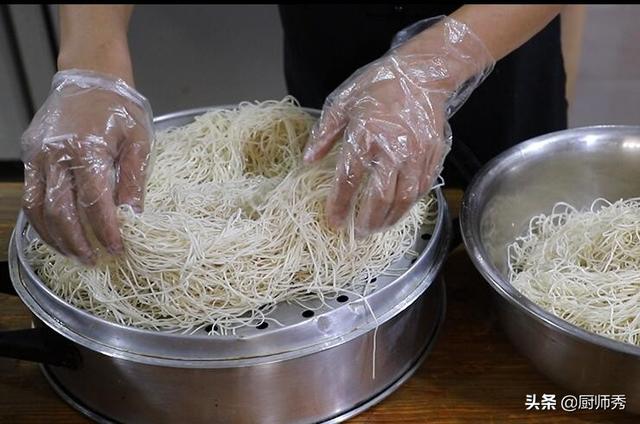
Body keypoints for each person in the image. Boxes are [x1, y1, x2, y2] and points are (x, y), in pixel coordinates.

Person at [21, 4, 567, 264]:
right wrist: (92, 62)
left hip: (492, 37)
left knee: (506, 242)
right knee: (333, 199)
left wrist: (431, 67)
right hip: (329, 31)